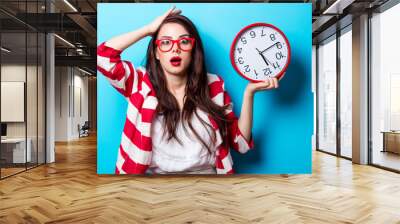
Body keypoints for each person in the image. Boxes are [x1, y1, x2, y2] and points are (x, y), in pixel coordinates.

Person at [97, 7, 279, 175]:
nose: (175, 48)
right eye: (166, 42)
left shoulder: (214, 86)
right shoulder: (140, 83)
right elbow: (103, 57)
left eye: (184, 41)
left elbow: (241, 145)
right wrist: (148, 29)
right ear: (156, 53)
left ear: (193, 50)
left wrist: (249, 93)